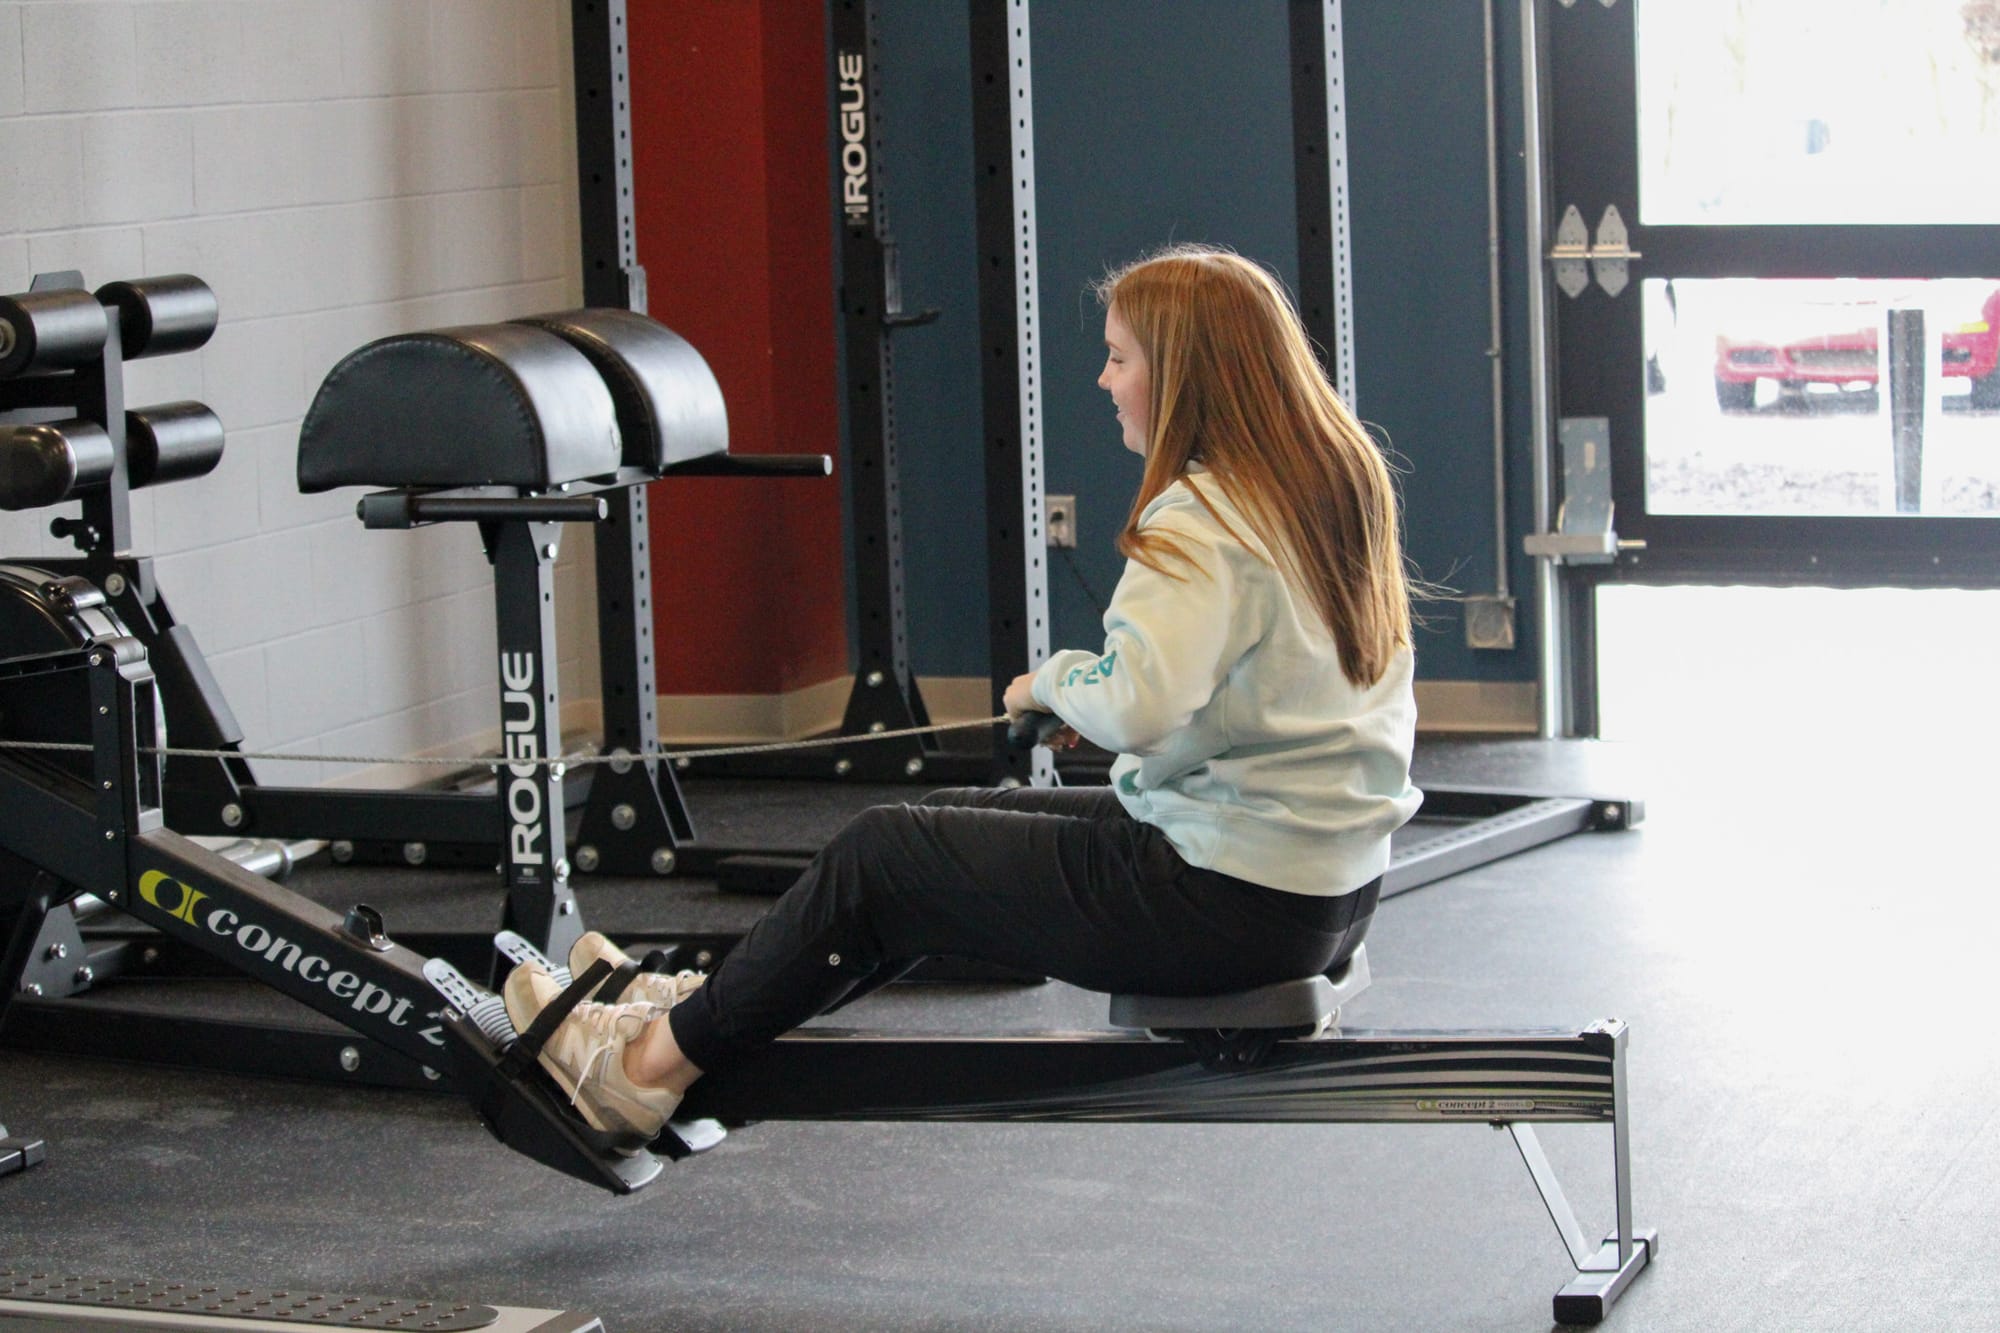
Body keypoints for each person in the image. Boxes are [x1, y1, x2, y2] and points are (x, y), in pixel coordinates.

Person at [501, 244, 1422, 1142]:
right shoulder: (1329, 484)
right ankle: (707, 1006)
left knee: (884, 854)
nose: (1104, 381)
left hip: (1229, 903)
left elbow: (1142, 705)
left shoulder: (1202, 515)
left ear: (1182, 374)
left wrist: (1053, 681)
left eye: (1118, 357)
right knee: (940, 819)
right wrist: (1091, 704)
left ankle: (642, 1070)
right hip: (1319, 891)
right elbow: (1263, 699)